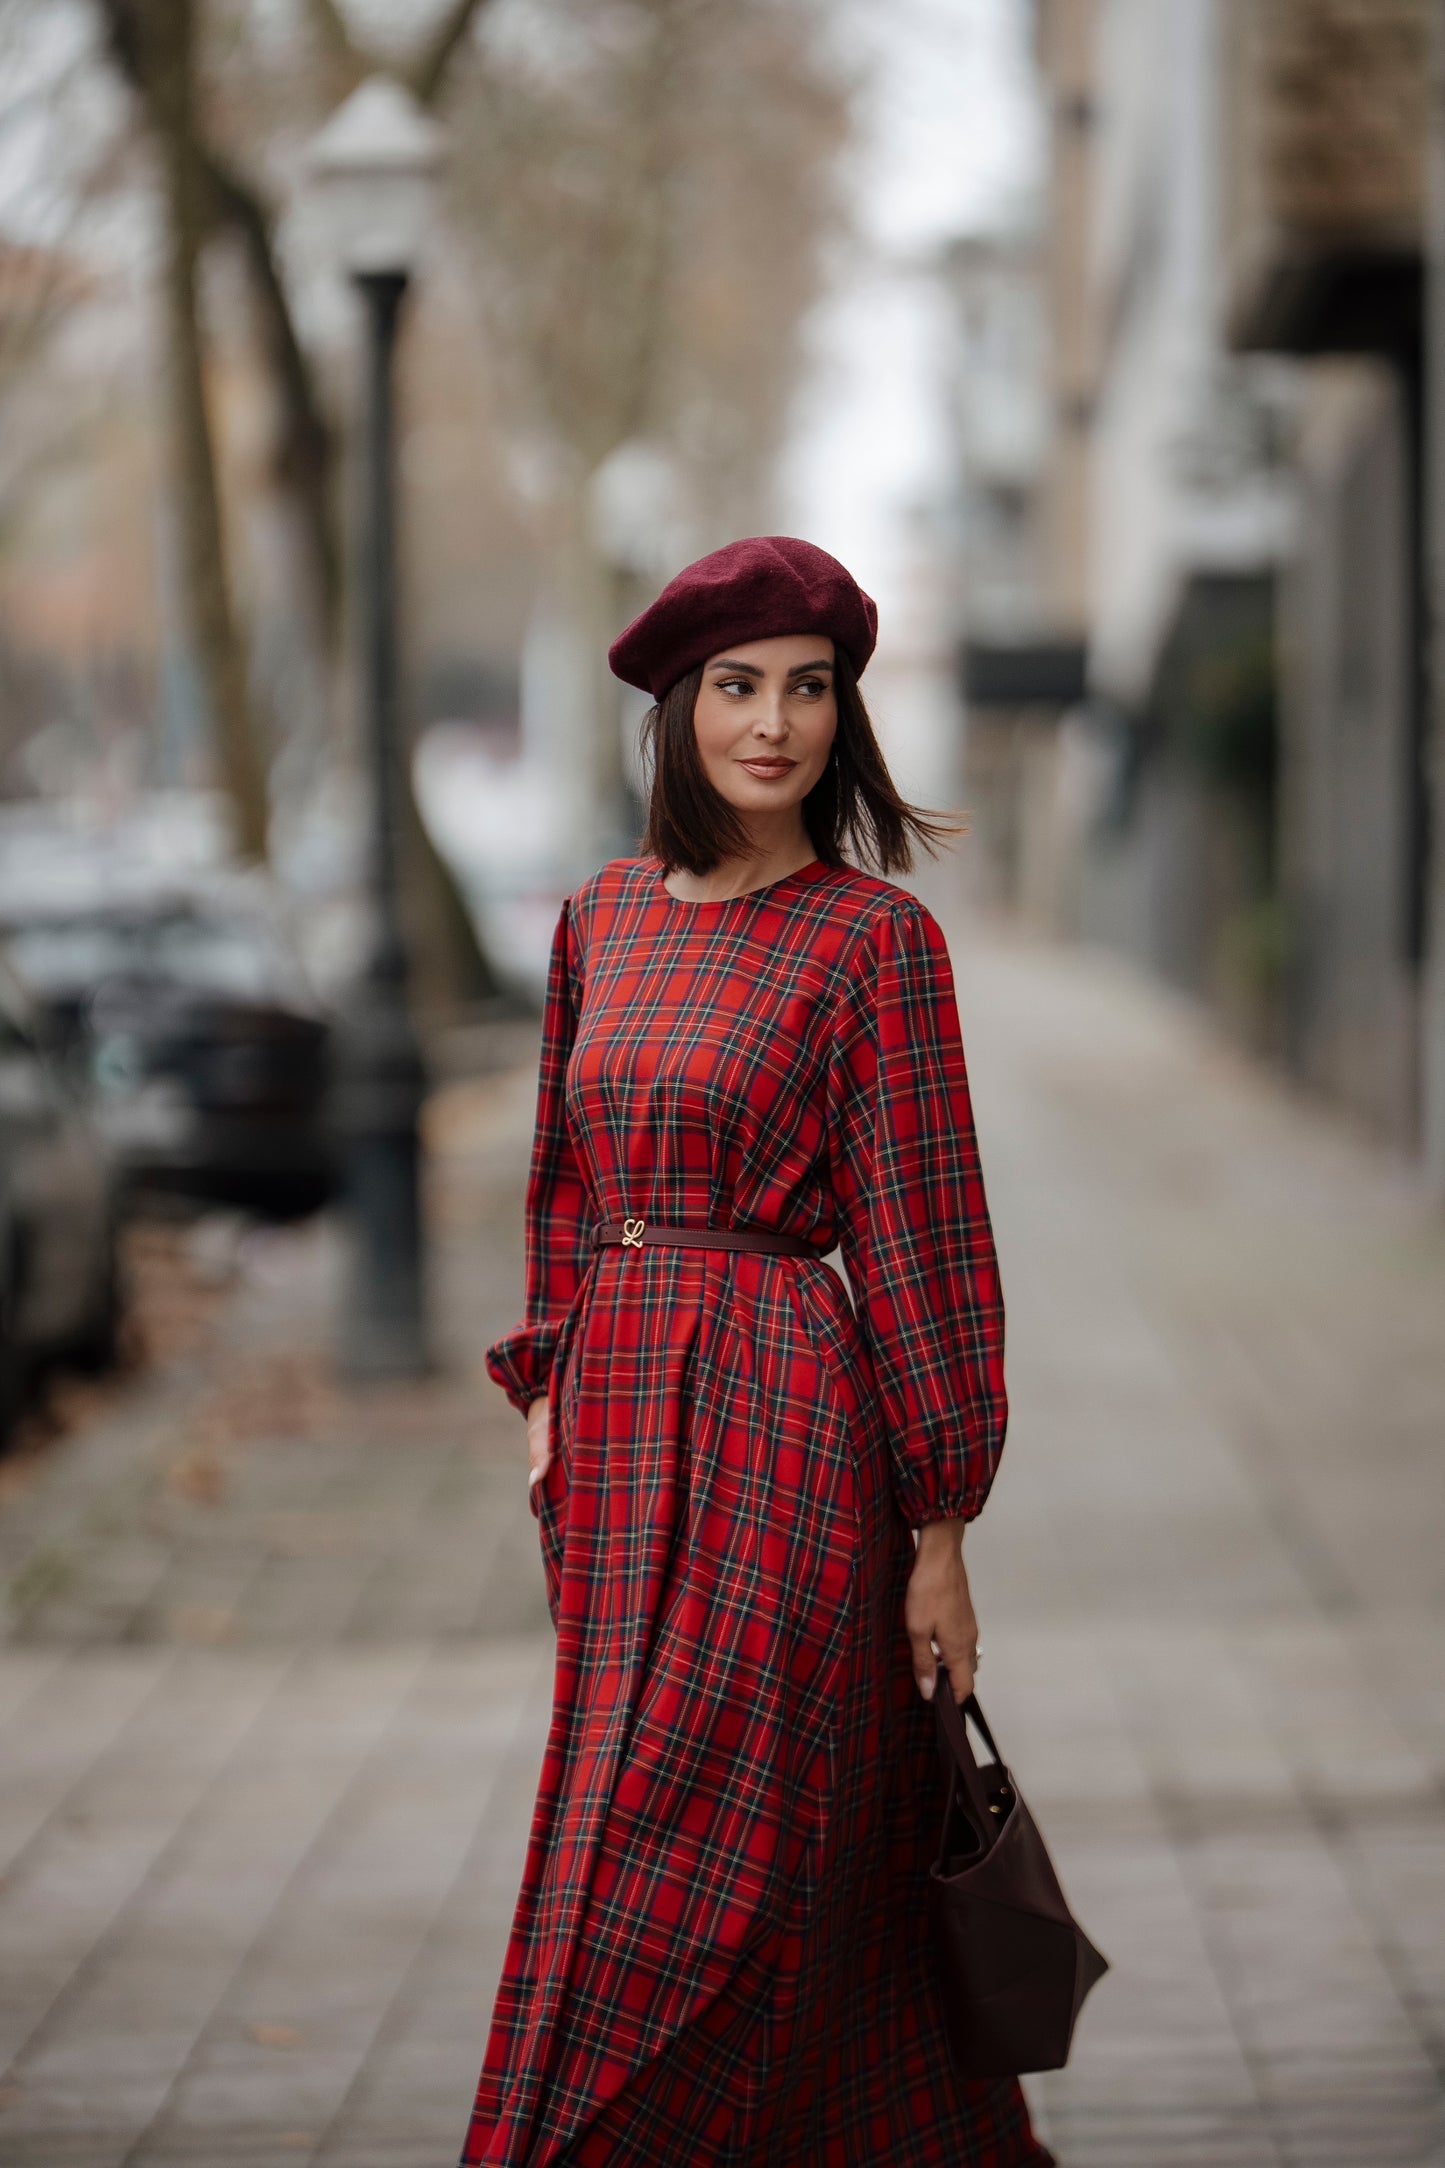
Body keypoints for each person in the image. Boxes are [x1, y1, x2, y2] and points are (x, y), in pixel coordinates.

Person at [460, 536, 1053, 2168]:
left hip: (792, 1428)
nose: (772, 723)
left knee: (713, 1844)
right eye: (736, 686)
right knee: (623, 1810)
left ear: (842, 715)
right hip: (620, 1436)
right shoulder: (598, 925)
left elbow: (930, 1245)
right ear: (677, 708)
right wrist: (547, 1387)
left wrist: (938, 1532)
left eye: (808, 688)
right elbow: (564, 1182)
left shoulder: (874, 943)